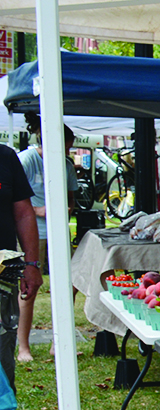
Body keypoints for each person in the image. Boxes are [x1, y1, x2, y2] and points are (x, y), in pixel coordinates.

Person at [16, 124, 79, 362]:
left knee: (67, 286)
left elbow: (71, 198)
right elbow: (13, 202)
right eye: (63, 147)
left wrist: (67, 210)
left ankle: (59, 344)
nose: (65, 153)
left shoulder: (65, 165)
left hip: (58, 233)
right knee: (29, 289)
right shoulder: (26, 160)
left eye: (68, 149)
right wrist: (39, 210)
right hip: (33, 234)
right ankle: (24, 348)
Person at [0, 136, 41, 410]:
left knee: (1, 354)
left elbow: (24, 213)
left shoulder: (5, 157)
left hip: (1, 273)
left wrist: (31, 263)